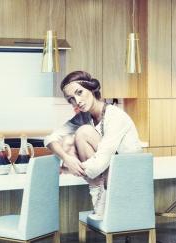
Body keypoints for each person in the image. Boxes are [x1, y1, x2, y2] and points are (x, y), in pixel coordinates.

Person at [44, 71, 142, 219]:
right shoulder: (84, 117)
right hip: (108, 176)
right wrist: (67, 158)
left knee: (83, 132)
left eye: (79, 92)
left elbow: (99, 165)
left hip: (127, 178)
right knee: (71, 140)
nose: (77, 101)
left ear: (91, 88)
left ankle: (101, 203)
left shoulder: (115, 116)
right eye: (71, 99)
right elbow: (50, 138)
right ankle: (100, 202)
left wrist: (66, 169)